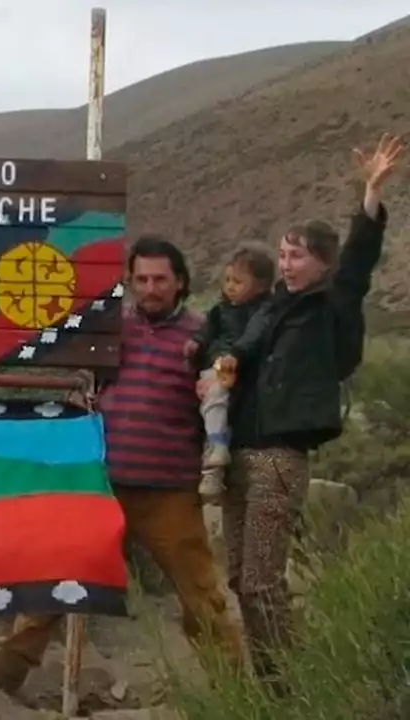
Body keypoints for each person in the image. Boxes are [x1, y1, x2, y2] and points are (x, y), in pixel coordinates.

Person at [0, 236, 243, 693]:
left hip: (169, 490)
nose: (149, 288)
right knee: (53, 578)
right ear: (129, 281)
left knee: (201, 594)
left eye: (159, 279)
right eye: (141, 279)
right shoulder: (109, 333)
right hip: (101, 484)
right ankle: (4, 673)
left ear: (180, 281)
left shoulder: (200, 336)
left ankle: (238, 691)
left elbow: (221, 400)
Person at [215, 133, 401, 690]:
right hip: (240, 452)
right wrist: (220, 357)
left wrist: (370, 194)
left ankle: (290, 685)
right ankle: (274, 681)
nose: (287, 263)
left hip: (280, 455)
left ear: (322, 263)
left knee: (263, 581)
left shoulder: (332, 302)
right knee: (240, 579)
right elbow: (237, 343)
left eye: (297, 255)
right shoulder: (271, 307)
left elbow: (361, 257)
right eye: (283, 254)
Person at [185, 244, 275, 503]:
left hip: (235, 368)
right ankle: (213, 460)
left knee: (218, 398)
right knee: (212, 403)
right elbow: (206, 332)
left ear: (259, 285)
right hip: (215, 365)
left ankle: (218, 448)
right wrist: (196, 344)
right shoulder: (220, 311)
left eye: (238, 281)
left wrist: (234, 358)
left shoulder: (262, 313)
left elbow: (254, 339)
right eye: (227, 280)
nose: (230, 286)